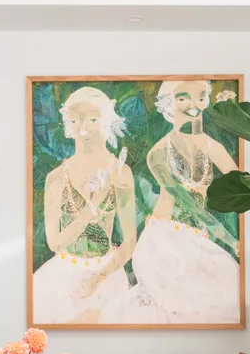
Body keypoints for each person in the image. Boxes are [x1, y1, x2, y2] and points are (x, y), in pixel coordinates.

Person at [103, 79, 241, 324]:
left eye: (200, 96)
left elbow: (242, 185)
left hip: (199, 235)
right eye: (182, 97)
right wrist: (229, 238)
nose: (193, 103)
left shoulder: (213, 146)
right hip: (164, 237)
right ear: (168, 104)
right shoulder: (158, 153)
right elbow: (184, 200)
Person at [33, 86, 136, 324]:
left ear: (106, 120)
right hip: (62, 274)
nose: (83, 127)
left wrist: (97, 280)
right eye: (74, 120)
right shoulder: (57, 177)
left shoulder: (120, 172)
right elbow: (55, 242)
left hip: (107, 275)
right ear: (67, 124)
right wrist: (93, 205)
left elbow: (129, 241)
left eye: (92, 119)